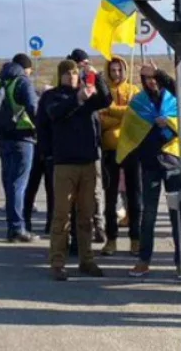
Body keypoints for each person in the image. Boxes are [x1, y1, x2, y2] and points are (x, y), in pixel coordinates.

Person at [45, 60, 112, 281]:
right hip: (64, 164)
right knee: (61, 216)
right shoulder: (53, 96)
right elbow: (54, 114)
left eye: (75, 73)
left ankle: (87, 260)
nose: (72, 77)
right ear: (60, 75)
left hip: (87, 163)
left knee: (86, 216)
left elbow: (105, 99)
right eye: (67, 73)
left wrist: (97, 76)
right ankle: (57, 262)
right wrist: (77, 99)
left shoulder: (87, 96)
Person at [118, 63, 181, 279]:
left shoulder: (174, 98)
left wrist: (170, 122)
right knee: (149, 215)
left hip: (173, 161)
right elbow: (129, 131)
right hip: (149, 164)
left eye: (154, 77)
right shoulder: (138, 102)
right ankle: (143, 261)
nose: (151, 81)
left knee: (177, 215)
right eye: (146, 78)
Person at [100, 55, 142, 256]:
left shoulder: (134, 91)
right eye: (113, 70)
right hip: (110, 149)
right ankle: (111, 239)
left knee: (135, 196)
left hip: (131, 148)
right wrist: (121, 117)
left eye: (119, 70)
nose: (116, 73)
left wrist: (112, 112)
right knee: (110, 197)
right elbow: (100, 118)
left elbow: (135, 115)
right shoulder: (104, 92)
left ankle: (135, 238)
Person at [0, 53, 40, 243]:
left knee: (9, 182)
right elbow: (34, 108)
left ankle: (11, 226)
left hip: (4, 138)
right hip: (23, 138)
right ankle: (17, 227)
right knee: (19, 184)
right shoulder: (23, 82)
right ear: (26, 68)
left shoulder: (2, 81)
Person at [66, 48, 106, 245]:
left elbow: (104, 100)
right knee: (74, 197)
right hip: (71, 152)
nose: (83, 69)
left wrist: (95, 77)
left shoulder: (90, 82)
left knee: (95, 190)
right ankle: (76, 237)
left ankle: (98, 226)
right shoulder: (66, 90)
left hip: (92, 146)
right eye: (80, 65)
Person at [24, 86, 54, 235]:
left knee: (50, 190)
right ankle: (27, 221)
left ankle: (50, 222)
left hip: (46, 152)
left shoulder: (49, 109)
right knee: (32, 189)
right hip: (39, 151)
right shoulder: (40, 110)